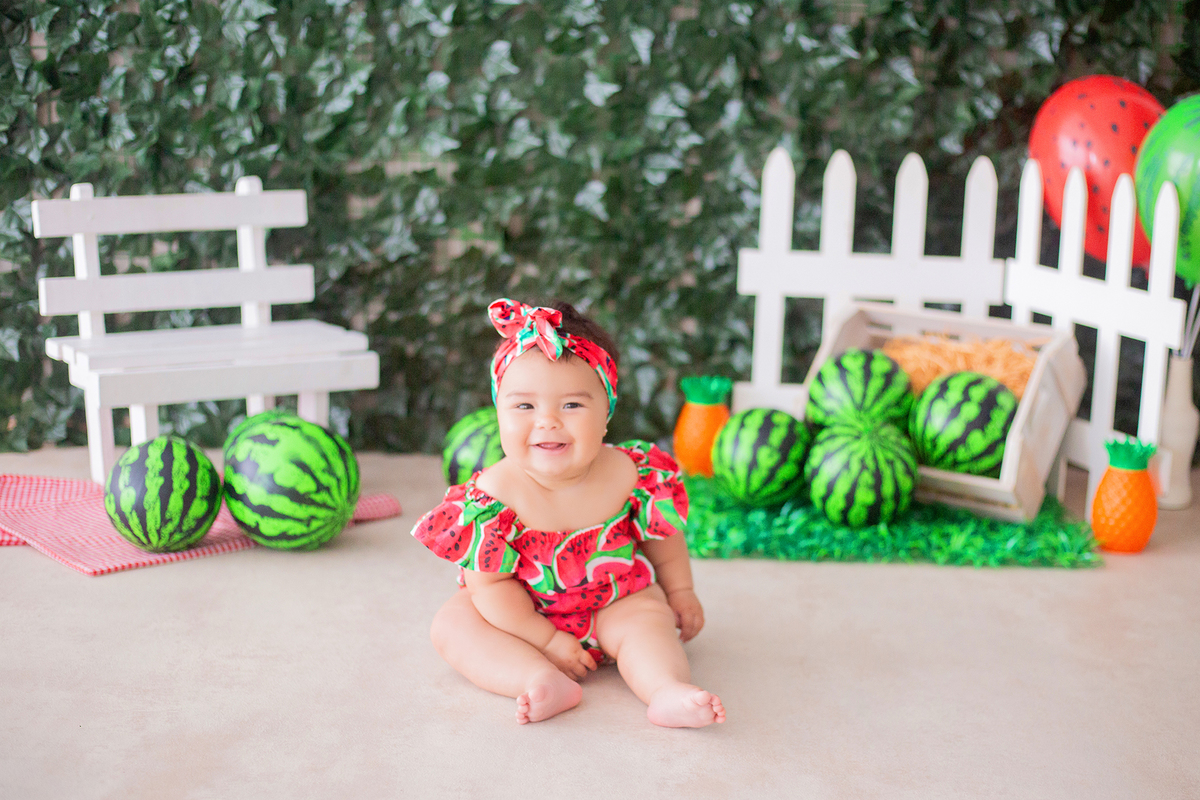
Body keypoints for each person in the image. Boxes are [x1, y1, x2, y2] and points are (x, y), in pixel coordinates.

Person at [411, 298, 725, 727]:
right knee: (453, 625)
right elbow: (492, 589)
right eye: (524, 407)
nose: (547, 422)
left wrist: (681, 591)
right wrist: (548, 641)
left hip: (614, 601)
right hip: (523, 619)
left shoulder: (630, 472)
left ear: (606, 413)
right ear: (499, 413)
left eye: (572, 406)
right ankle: (537, 678)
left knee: (649, 619)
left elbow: (662, 538)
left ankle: (665, 689)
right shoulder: (492, 497)